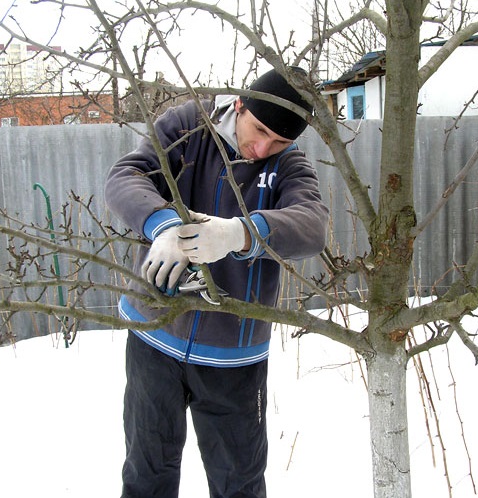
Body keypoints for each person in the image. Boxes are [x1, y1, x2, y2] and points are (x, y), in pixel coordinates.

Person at [105, 66, 329, 498]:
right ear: (240, 104)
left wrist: (239, 233)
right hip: (155, 334)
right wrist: (164, 225)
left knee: (238, 484)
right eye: (259, 129)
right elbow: (126, 175)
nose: (263, 147)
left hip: (234, 357)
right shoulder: (188, 125)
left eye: (280, 140)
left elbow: (313, 224)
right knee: (146, 475)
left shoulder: (289, 165)